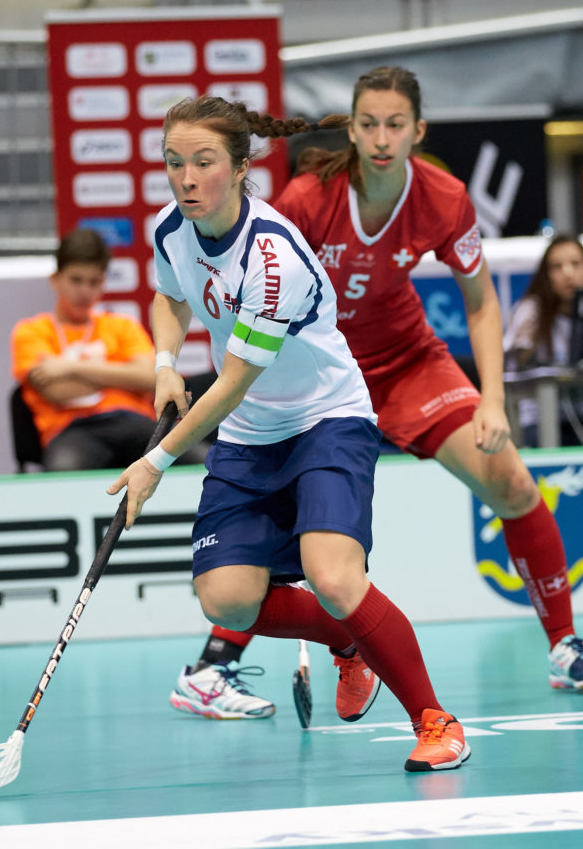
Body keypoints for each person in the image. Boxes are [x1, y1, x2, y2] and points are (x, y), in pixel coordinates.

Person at [175, 67, 583, 717]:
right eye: (368, 124)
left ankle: (565, 645)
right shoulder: (307, 198)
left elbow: (481, 302)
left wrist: (491, 396)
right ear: (351, 130)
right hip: (318, 380)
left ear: (418, 131)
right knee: (286, 544)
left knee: (513, 482)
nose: (381, 138)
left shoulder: (443, 196)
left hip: (407, 363)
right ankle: (226, 657)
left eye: (395, 124)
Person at [110, 93, 470, 771]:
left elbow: (234, 379)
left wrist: (155, 460)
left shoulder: (272, 258)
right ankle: (351, 638)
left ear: (242, 166)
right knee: (228, 599)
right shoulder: (170, 228)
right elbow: (170, 296)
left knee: (332, 574)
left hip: (324, 418)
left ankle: (435, 717)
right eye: (174, 162)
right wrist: (163, 362)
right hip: (248, 434)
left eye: (204, 162)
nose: (186, 178)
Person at [11, 227, 175, 472]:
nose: (85, 291)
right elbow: (57, 391)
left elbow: (150, 378)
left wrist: (69, 367)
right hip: (71, 429)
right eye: (76, 280)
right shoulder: (31, 331)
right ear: (56, 280)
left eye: (94, 282)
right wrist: (123, 376)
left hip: (133, 421)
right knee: (64, 473)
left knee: (197, 459)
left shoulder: (122, 326)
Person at [505, 233, 583, 447]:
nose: (568, 274)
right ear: (546, 275)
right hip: (537, 418)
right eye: (557, 267)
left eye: (576, 264)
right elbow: (510, 371)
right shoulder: (530, 312)